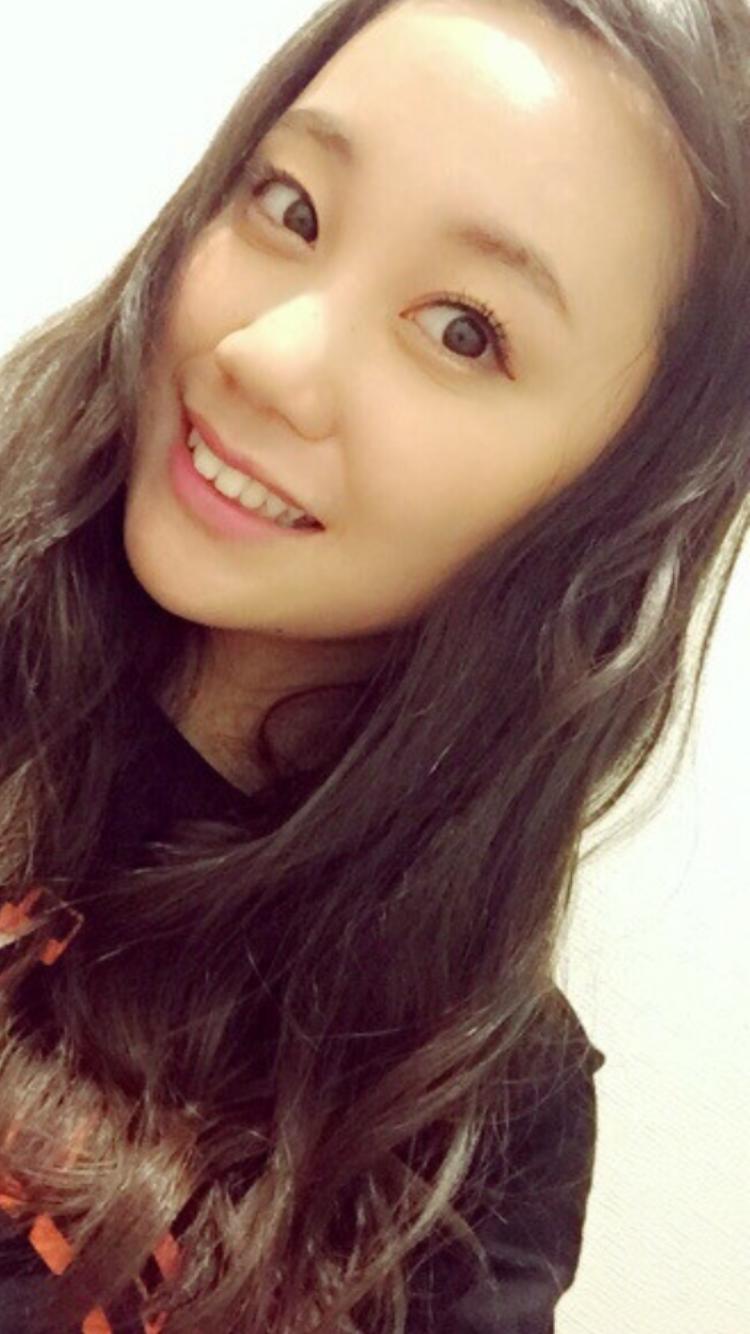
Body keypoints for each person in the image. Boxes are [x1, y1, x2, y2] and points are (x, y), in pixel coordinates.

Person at [0, 0, 746, 1330]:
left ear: (611, 504)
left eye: (462, 329)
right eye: (290, 207)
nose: (263, 357)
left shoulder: (468, 1134)